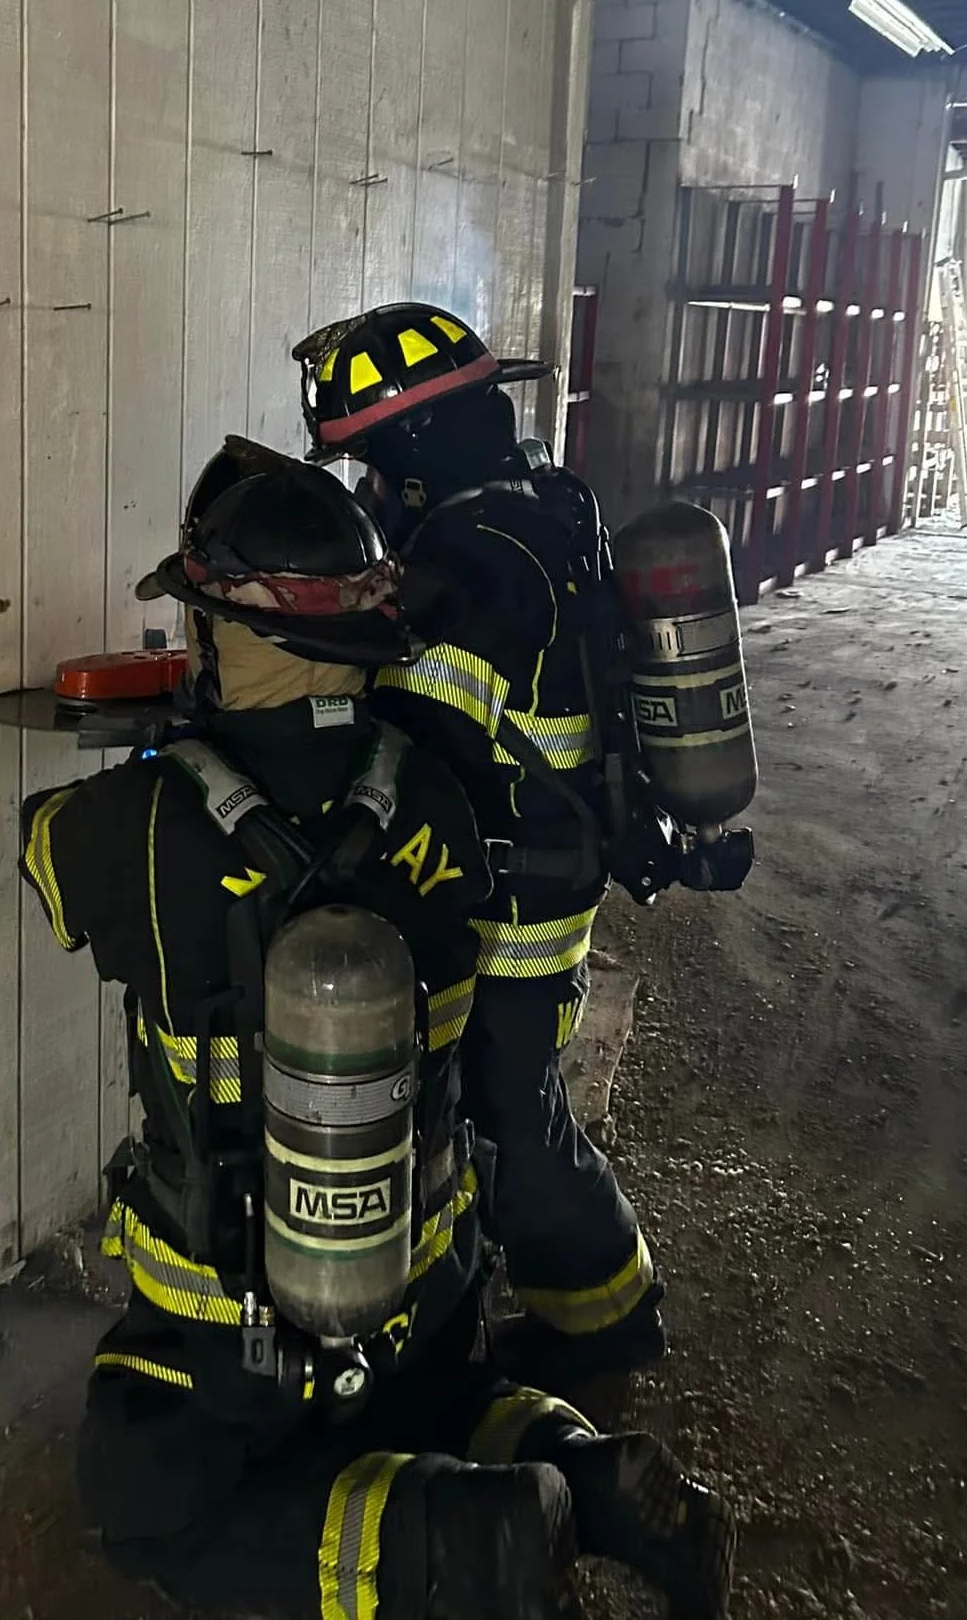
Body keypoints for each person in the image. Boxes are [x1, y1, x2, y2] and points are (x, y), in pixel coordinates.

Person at [20, 441, 735, 1620]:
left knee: (143, 1485)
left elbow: (42, 856)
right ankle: (588, 1472)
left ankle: (462, 1545)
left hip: (246, 1322)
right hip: (430, 1287)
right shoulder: (439, 791)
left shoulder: (138, 826)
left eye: (207, 619)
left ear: (233, 638)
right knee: (443, 1399)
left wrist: (176, 749)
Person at [292, 304, 700, 1420]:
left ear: (419, 448)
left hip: (518, 883)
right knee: (492, 1098)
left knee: (501, 1101)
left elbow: (415, 723)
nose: (367, 487)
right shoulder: (537, 500)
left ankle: (611, 1313)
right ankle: (576, 1304)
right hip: (541, 853)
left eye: (371, 458)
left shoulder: (470, 562)